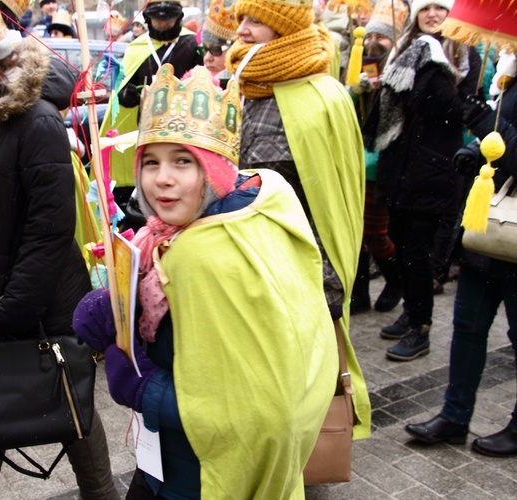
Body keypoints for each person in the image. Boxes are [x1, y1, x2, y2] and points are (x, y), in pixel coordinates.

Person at [74, 64, 338, 498]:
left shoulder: (204, 255)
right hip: (172, 458)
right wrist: (123, 301)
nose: (163, 179)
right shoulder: (236, 217)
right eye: (151, 162)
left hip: (207, 473)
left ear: (215, 172)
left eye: (184, 162)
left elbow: (260, 411)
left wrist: (143, 386)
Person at [0, 0, 118, 497]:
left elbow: (49, 232)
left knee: (70, 405)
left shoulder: (37, 123)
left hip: (35, 301)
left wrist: (12, 307)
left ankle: (103, 494)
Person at [226, 0, 371, 436]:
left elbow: (330, 200)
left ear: (283, 29)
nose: (243, 30)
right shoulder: (245, 83)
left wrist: (328, 282)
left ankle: (304, 452)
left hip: (300, 267)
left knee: (299, 376)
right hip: (246, 259)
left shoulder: (322, 95)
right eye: (242, 20)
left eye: (256, 21)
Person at [404, 53, 517, 457]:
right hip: (489, 230)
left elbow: (508, 141)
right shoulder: (509, 79)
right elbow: (499, 144)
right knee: (467, 329)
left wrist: (485, 123)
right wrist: (474, 150)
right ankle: (454, 416)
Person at [364, 0, 481, 361]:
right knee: (399, 239)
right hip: (400, 165)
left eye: (440, 8)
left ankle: (422, 328)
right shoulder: (409, 49)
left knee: (417, 251)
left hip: (433, 166)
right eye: (425, 8)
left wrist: (431, 65)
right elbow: (393, 105)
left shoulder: (462, 55)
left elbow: (450, 108)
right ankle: (411, 313)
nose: (432, 15)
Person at [99, 0, 202, 214]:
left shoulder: (192, 44)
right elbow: (123, 88)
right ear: (148, 19)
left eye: (168, 19)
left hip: (184, 125)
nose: (163, 24)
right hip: (146, 125)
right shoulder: (138, 47)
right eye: (158, 19)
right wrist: (128, 94)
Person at [348, 0, 409, 315]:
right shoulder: (361, 63)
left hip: (381, 165)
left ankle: (394, 278)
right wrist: (355, 91)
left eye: (383, 37)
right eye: (372, 35)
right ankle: (359, 294)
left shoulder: (401, 70)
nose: (375, 42)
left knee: (374, 232)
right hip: (355, 162)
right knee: (353, 233)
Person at [183, 0, 237, 88]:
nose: (207, 58)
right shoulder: (191, 84)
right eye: (204, 49)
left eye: (216, 50)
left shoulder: (246, 86)